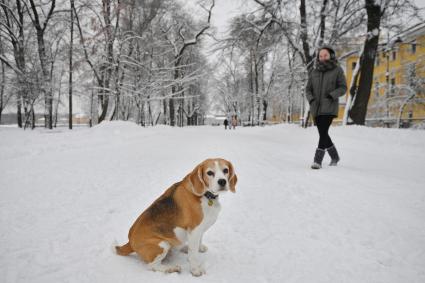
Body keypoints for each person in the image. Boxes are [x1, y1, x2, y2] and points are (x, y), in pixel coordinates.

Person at [305, 46, 347, 169]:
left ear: (331, 56)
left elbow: (343, 87)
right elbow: (308, 89)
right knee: (323, 133)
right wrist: (311, 99)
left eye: (325, 55)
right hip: (316, 107)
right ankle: (335, 156)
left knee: (323, 133)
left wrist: (331, 95)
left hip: (329, 106)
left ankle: (317, 160)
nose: (323, 58)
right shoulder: (314, 72)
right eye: (321, 56)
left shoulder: (337, 70)